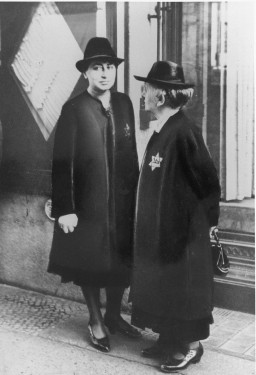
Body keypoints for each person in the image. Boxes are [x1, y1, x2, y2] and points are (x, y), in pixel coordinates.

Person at [48, 37, 141, 353]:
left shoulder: (124, 103)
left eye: (109, 67)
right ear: (86, 73)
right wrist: (65, 208)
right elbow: (62, 163)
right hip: (89, 204)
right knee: (90, 260)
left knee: (120, 260)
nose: (105, 74)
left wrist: (138, 198)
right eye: (97, 68)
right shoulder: (73, 109)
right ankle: (95, 318)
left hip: (124, 202)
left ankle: (114, 315)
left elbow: (132, 154)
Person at [130, 61, 221, 372]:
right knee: (164, 288)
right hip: (162, 232)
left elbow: (208, 183)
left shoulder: (184, 131)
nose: (142, 93)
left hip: (184, 235)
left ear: (162, 96)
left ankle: (190, 347)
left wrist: (205, 225)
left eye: (147, 88)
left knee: (183, 292)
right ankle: (168, 340)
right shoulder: (164, 129)